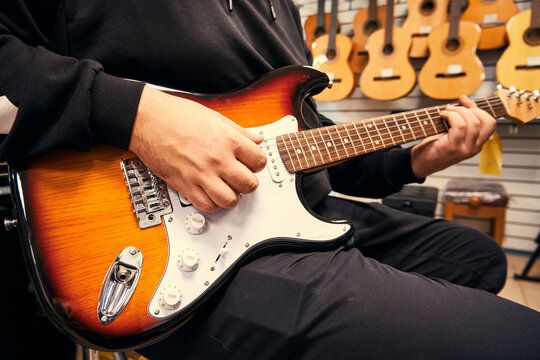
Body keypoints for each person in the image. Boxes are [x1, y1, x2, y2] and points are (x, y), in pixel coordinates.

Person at [1, 1, 539, 359]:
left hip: (301, 211)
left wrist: (416, 162)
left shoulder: (281, 9)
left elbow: (306, 137)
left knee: (479, 258)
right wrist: (136, 116)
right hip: (183, 239)